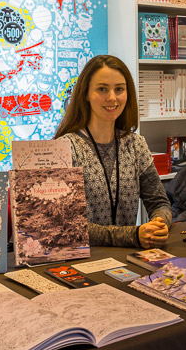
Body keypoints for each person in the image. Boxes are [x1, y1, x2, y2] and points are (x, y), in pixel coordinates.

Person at [55, 55, 171, 248]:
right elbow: (66, 225)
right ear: (85, 93)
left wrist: (159, 225)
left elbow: (159, 202)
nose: (112, 98)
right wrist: (132, 235)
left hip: (129, 260)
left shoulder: (135, 144)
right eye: (102, 89)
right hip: (82, 261)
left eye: (119, 89)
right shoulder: (66, 149)